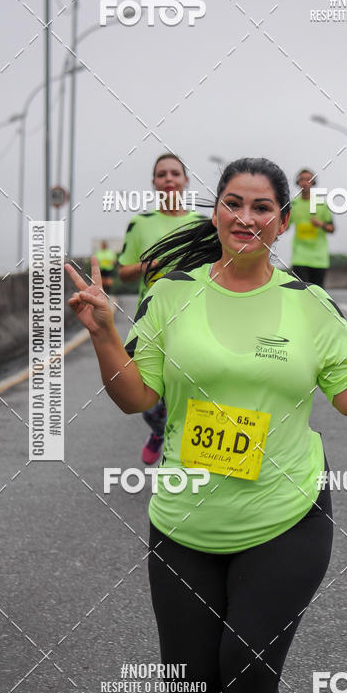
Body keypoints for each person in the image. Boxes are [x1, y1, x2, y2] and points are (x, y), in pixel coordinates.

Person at [65, 157, 347, 693]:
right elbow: (135, 396)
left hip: (286, 514)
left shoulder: (309, 304)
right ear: (214, 210)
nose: (246, 217)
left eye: (262, 207)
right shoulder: (172, 293)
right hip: (187, 518)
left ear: (281, 219)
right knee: (189, 682)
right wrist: (105, 332)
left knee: (249, 669)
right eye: (234, 204)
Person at [117, 153, 202, 465]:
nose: (169, 179)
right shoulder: (140, 224)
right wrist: (152, 264)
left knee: (190, 390)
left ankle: (186, 458)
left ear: (185, 181)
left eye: (175, 174)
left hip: (193, 316)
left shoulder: (200, 224)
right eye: (162, 174)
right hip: (151, 318)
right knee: (147, 395)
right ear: (154, 183)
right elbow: (123, 271)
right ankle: (157, 429)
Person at [290, 167, 334, 287]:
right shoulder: (293, 205)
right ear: (298, 182)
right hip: (300, 257)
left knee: (318, 295)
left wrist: (321, 224)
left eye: (308, 179)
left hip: (319, 257)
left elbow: (331, 228)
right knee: (301, 293)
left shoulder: (321, 204)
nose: (305, 182)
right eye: (302, 179)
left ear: (313, 182)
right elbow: (283, 226)